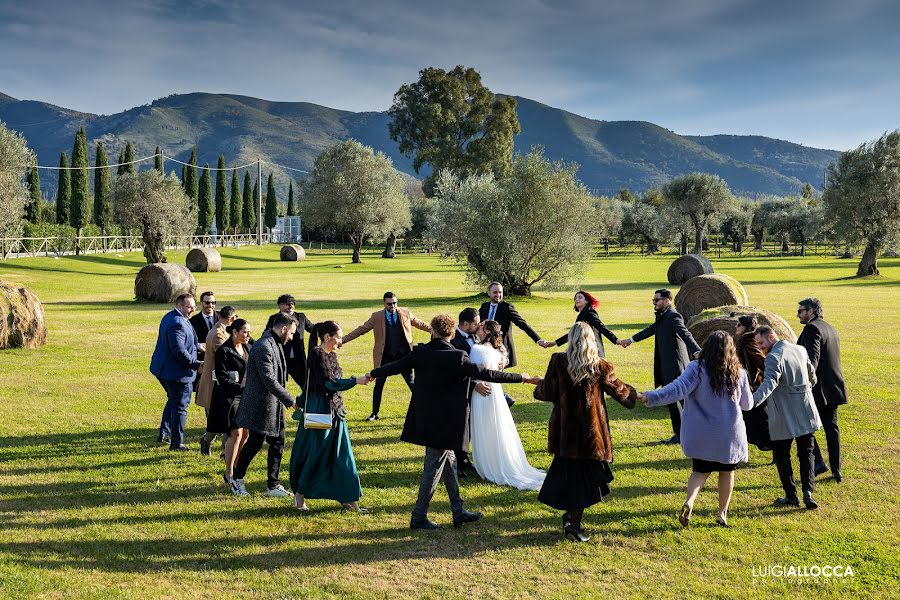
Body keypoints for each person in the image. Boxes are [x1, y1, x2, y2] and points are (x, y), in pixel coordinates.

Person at [368, 314, 540, 530]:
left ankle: (458, 511)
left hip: (426, 419)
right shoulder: (457, 357)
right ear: (451, 333)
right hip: (446, 422)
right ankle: (418, 516)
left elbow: (395, 366)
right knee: (432, 469)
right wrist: (523, 378)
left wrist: (373, 374)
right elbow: (489, 375)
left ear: (433, 331)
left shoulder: (420, 353)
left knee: (449, 463)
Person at [638, 331, 753, 528]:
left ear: (706, 347)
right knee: (727, 472)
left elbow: (676, 389)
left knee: (700, 471)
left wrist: (650, 396)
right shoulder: (739, 373)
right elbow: (747, 405)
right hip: (728, 434)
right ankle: (721, 514)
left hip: (702, 434)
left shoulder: (697, 369)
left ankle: (689, 502)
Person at [534, 322, 637, 542]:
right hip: (591, 435)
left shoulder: (559, 361)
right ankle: (573, 524)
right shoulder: (601, 366)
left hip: (566, 432)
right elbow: (620, 391)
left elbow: (546, 392)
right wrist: (636, 396)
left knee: (570, 478)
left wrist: (539, 384)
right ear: (592, 340)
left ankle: (570, 518)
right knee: (583, 482)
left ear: (571, 339)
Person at [289, 321, 370, 513]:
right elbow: (329, 384)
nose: (341, 341)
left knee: (342, 454)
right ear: (327, 337)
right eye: (338, 337)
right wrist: (355, 380)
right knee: (316, 454)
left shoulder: (330, 355)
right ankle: (300, 495)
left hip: (335, 411)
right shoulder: (317, 355)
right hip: (321, 411)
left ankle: (347, 498)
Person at [469, 320, 546, 490]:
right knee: (497, 426)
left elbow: (475, 372)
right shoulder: (497, 350)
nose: (478, 328)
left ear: (487, 331)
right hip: (495, 392)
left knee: (485, 427)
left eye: (481, 327)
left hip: (483, 392)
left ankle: (489, 463)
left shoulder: (478, 349)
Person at [752, 326, 822, 510]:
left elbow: (769, 384)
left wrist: (751, 402)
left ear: (772, 337)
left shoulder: (774, 357)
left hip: (784, 413)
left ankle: (792, 495)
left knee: (782, 455)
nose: (760, 347)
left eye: (761, 343)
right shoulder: (800, 349)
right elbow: (812, 377)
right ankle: (808, 492)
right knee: (806, 452)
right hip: (805, 409)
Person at [619, 288, 701, 444]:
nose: (654, 303)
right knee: (673, 400)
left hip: (675, 365)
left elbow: (685, 334)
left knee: (680, 399)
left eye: (657, 300)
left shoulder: (672, 316)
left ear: (667, 300)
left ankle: (686, 433)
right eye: (653, 300)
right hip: (666, 364)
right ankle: (680, 433)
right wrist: (631, 339)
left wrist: (696, 350)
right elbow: (652, 329)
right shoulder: (663, 316)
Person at [230, 312, 298, 498]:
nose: (291, 337)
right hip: (261, 405)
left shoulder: (275, 342)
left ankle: (273, 485)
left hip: (274, 404)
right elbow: (268, 379)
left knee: (278, 443)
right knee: (254, 443)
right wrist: (290, 400)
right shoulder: (263, 346)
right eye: (291, 333)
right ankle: (236, 479)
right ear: (283, 329)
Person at [342, 292, 432, 421]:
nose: (393, 306)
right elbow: (361, 330)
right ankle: (374, 413)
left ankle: (425, 409)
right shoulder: (376, 316)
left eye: (395, 303)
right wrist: (343, 340)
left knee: (412, 383)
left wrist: (432, 330)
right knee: (379, 384)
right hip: (385, 356)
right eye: (389, 304)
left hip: (404, 356)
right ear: (384, 304)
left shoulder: (405, 312)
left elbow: (419, 323)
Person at [797, 298, 847, 483]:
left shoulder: (812, 329)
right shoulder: (830, 328)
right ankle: (836, 469)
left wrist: (804, 382)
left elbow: (812, 360)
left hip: (818, 388)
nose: (798, 314)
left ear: (811, 311)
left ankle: (818, 462)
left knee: (802, 424)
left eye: (801, 311)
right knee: (831, 428)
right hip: (834, 386)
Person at [479, 281, 550, 406]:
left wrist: (538, 339)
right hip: (486, 348)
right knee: (491, 376)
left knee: (493, 375)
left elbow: (522, 324)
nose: (498, 295)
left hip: (501, 349)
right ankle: (504, 399)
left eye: (500, 292)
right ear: (489, 293)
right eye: (495, 292)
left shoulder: (507, 307)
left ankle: (504, 399)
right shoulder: (484, 306)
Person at [150, 293, 203, 451]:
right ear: (179, 306)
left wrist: (198, 346)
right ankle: (176, 443)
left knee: (173, 400)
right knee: (180, 406)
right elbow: (178, 350)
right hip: (176, 373)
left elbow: (183, 342)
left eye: (194, 307)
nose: (192, 310)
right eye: (189, 307)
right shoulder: (177, 323)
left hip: (164, 369)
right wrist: (196, 364)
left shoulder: (170, 316)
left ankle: (164, 433)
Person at [208, 318, 252, 484]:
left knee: (246, 434)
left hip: (246, 396)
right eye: (245, 332)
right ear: (235, 332)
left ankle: (235, 464)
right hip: (229, 397)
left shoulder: (247, 347)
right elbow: (222, 377)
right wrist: (241, 389)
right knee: (236, 433)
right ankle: (229, 472)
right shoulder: (224, 351)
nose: (248, 335)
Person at [449, 307, 487, 477]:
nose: (478, 326)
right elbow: (456, 372)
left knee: (469, 427)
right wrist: (474, 385)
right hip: (459, 391)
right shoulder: (453, 341)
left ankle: (465, 460)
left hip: (475, 392)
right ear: (465, 324)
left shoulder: (474, 336)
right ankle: (455, 464)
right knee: (459, 428)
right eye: (476, 323)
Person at [195, 305, 237, 456]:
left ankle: (226, 450)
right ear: (232, 318)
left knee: (228, 419)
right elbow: (228, 357)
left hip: (220, 383)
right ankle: (207, 441)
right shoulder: (219, 335)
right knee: (219, 421)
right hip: (215, 385)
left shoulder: (221, 330)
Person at [733, 315, 771, 453]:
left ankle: (771, 444)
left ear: (746, 327)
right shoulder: (747, 340)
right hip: (750, 385)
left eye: (739, 325)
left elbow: (761, 361)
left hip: (751, 386)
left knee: (756, 421)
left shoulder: (748, 341)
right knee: (757, 420)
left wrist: (758, 379)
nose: (736, 327)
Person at [543, 290, 619, 356]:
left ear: (586, 301)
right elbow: (573, 334)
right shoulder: (583, 314)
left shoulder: (589, 313)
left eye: (580, 297)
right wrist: (554, 343)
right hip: (583, 350)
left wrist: (616, 340)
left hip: (592, 350)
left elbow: (601, 327)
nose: (576, 299)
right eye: (575, 298)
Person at [265, 294, 314, 390]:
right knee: (278, 386)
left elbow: (312, 328)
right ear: (279, 306)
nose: (290, 306)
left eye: (292, 303)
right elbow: (267, 334)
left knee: (307, 386)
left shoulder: (301, 317)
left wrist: (326, 329)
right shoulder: (274, 319)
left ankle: (307, 404)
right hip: (281, 358)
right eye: (287, 304)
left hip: (298, 359)